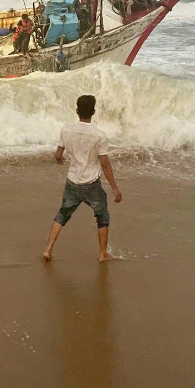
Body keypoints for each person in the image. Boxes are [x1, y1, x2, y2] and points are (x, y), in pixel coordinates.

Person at [42, 95, 123, 263]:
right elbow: (105, 164)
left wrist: (60, 160)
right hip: (91, 184)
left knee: (63, 214)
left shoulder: (66, 130)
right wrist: (115, 188)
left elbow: (58, 154)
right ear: (93, 112)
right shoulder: (99, 135)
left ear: (77, 111)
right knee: (102, 216)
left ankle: (48, 250)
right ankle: (102, 254)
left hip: (72, 181)